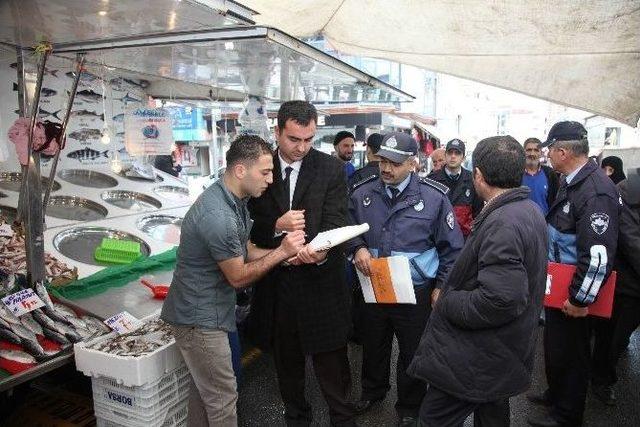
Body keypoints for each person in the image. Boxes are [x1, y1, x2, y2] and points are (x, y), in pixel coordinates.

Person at [160, 135, 306, 426]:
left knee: (204, 395)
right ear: (241, 170)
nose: (271, 179)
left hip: (208, 312)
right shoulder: (218, 215)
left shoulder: (236, 200)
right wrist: (282, 252)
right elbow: (238, 277)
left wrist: (286, 256)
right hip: (199, 319)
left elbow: (247, 249)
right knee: (223, 399)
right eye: (265, 172)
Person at [408, 135, 548, 427]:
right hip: (501, 351)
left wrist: (447, 299)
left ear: (479, 175)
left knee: (433, 419)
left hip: (477, 356)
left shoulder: (504, 222)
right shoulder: (526, 209)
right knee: (493, 412)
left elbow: (500, 300)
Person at [247, 101, 357, 427]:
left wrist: (321, 251)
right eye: (294, 139)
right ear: (277, 131)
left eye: (309, 139)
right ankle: (296, 419)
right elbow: (248, 224)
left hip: (321, 286)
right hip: (278, 288)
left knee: (333, 371)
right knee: (287, 369)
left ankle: (342, 420)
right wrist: (277, 227)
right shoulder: (259, 168)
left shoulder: (330, 169)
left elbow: (337, 221)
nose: (302, 147)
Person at [349, 132, 464, 427]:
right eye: (383, 161)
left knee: (413, 350)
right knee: (373, 344)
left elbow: (452, 249)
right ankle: (373, 391)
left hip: (415, 291)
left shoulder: (434, 198)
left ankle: (410, 406)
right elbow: (348, 229)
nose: (386, 168)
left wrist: (441, 287)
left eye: (395, 163)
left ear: (413, 163)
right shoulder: (363, 193)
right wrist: (358, 247)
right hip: (374, 285)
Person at [527, 121, 621, 427]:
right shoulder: (572, 180)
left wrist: (580, 299)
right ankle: (557, 394)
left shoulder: (594, 192)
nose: (546, 157)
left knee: (572, 353)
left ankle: (567, 415)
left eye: (549, 150)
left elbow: (597, 257)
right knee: (556, 347)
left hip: (574, 293)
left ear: (563, 151)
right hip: (560, 285)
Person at [590, 168, 640, 406]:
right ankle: (600, 380)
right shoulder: (628, 189)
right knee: (611, 339)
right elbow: (632, 242)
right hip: (626, 286)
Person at [428, 139, 483, 238]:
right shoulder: (432, 180)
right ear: (445, 155)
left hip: (464, 239)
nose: (453, 156)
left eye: (457, 153)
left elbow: (478, 212)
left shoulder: (472, 180)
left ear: (463, 158)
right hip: (439, 239)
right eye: (450, 152)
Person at [522, 137, 559, 215]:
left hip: (544, 223)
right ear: (523, 152)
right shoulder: (515, 173)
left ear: (541, 153)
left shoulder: (550, 174)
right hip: (521, 223)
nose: (532, 154)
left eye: (536, 150)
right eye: (529, 150)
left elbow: (555, 201)